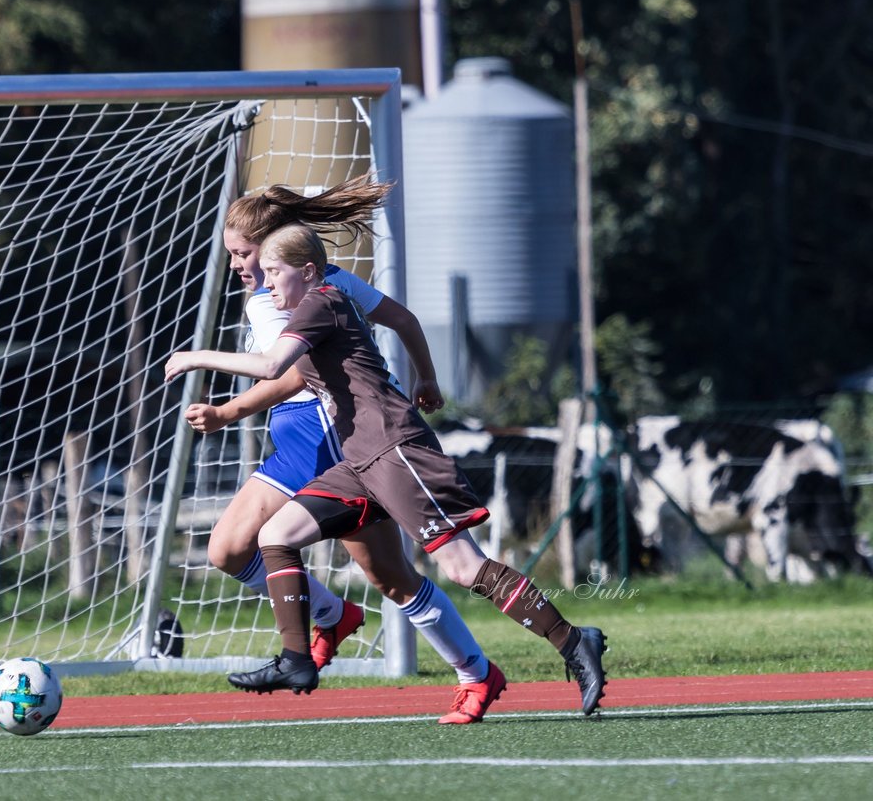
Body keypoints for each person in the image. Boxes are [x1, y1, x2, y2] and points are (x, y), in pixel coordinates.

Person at [165, 176, 608, 716]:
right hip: (357, 454)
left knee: (462, 568)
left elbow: (276, 369)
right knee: (279, 536)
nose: (251, 273)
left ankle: (569, 640)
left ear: (296, 264)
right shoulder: (313, 291)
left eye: (253, 259)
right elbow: (388, 325)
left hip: (391, 447)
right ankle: (297, 654)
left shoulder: (316, 298)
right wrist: (426, 377)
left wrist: (201, 365)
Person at [185, 198, 502, 723]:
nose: (239, 266)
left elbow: (292, 375)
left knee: (393, 578)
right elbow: (400, 319)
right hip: (295, 441)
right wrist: (425, 376)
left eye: (243, 254)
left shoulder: (285, 296)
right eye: (233, 256)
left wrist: (229, 410)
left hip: (330, 436)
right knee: (228, 549)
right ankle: (332, 616)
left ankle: (474, 671)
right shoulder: (315, 280)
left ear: (271, 248)